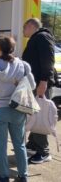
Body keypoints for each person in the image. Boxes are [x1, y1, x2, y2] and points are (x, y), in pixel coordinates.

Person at [0, 36, 35, 182]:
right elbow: (31, 86)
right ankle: (23, 176)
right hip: (18, 108)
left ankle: (4, 176)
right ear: (12, 49)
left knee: (1, 145)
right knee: (19, 144)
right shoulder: (24, 65)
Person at [22, 18, 55, 164]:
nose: (23, 31)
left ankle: (44, 151)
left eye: (24, 28)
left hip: (40, 84)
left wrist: (44, 81)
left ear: (30, 26)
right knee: (34, 114)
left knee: (40, 115)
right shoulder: (37, 38)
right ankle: (34, 144)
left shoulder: (42, 37)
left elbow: (48, 60)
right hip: (35, 84)